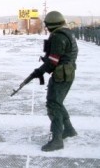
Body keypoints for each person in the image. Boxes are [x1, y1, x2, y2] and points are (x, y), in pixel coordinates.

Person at [29, 11, 78, 152]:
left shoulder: (57, 36)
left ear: (51, 24)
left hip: (61, 74)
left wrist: (39, 71)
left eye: (47, 25)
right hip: (67, 72)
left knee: (53, 104)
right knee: (57, 102)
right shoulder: (67, 33)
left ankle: (57, 140)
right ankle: (68, 129)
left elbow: (53, 61)